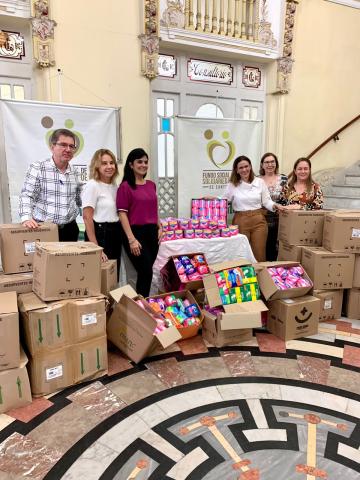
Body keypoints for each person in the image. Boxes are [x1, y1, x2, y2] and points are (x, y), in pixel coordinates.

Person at [19, 128, 82, 241]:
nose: (68, 149)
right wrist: (26, 218)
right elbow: (27, 195)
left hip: (70, 229)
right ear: (52, 147)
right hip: (44, 229)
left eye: (71, 146)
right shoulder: (38, 168)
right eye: (63, 145)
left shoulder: (75, 172)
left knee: (69, 259)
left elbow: (78, 199)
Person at [116, 148, 162, 297]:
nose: (143, 165)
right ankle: (142, 306)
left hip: (151, 233)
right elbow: (122, 214)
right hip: (135, 233)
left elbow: (153, 208)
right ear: (131, 165)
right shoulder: (125, 187)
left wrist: (159, 226)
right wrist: (131, 239)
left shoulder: (151, 185)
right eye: (139, 161)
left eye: (146, 162)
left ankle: (143, 304)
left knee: (147, 271)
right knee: (145, 271)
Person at [223, 155, 284, 262]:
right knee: (241, 255)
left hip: (259, 221)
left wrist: (275, 206)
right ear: (236, 170)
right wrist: (213, 199)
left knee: (259, 255)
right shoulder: (233, 184)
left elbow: (266, 201)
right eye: (241, 168)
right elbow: (224, 200)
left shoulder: (259, 182)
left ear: (250, 167)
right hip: (240, 221)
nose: (244, 169)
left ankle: (261, 277)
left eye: (246, 166)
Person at [81, 149, 122, 278]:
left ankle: (111, 298)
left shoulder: (115, 186)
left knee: (113, 275)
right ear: (97, 166)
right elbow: (87, 218)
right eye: (104, 163)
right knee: (99, 277)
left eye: (112, 163)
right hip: (100, 234)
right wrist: (96, 248)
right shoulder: (92, 185)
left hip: (115, 232)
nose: (109, 166)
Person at [259, 152, 288, 261]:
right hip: (262, 218)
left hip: (279, 217)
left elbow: (287, 198)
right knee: (263, 247)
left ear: (276, 164)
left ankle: (275, 272)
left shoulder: (284, 178)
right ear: (262, 165)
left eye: (272, 162)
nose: (270, 164)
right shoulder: (257, 180)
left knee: (277, 247)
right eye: (266, 162)